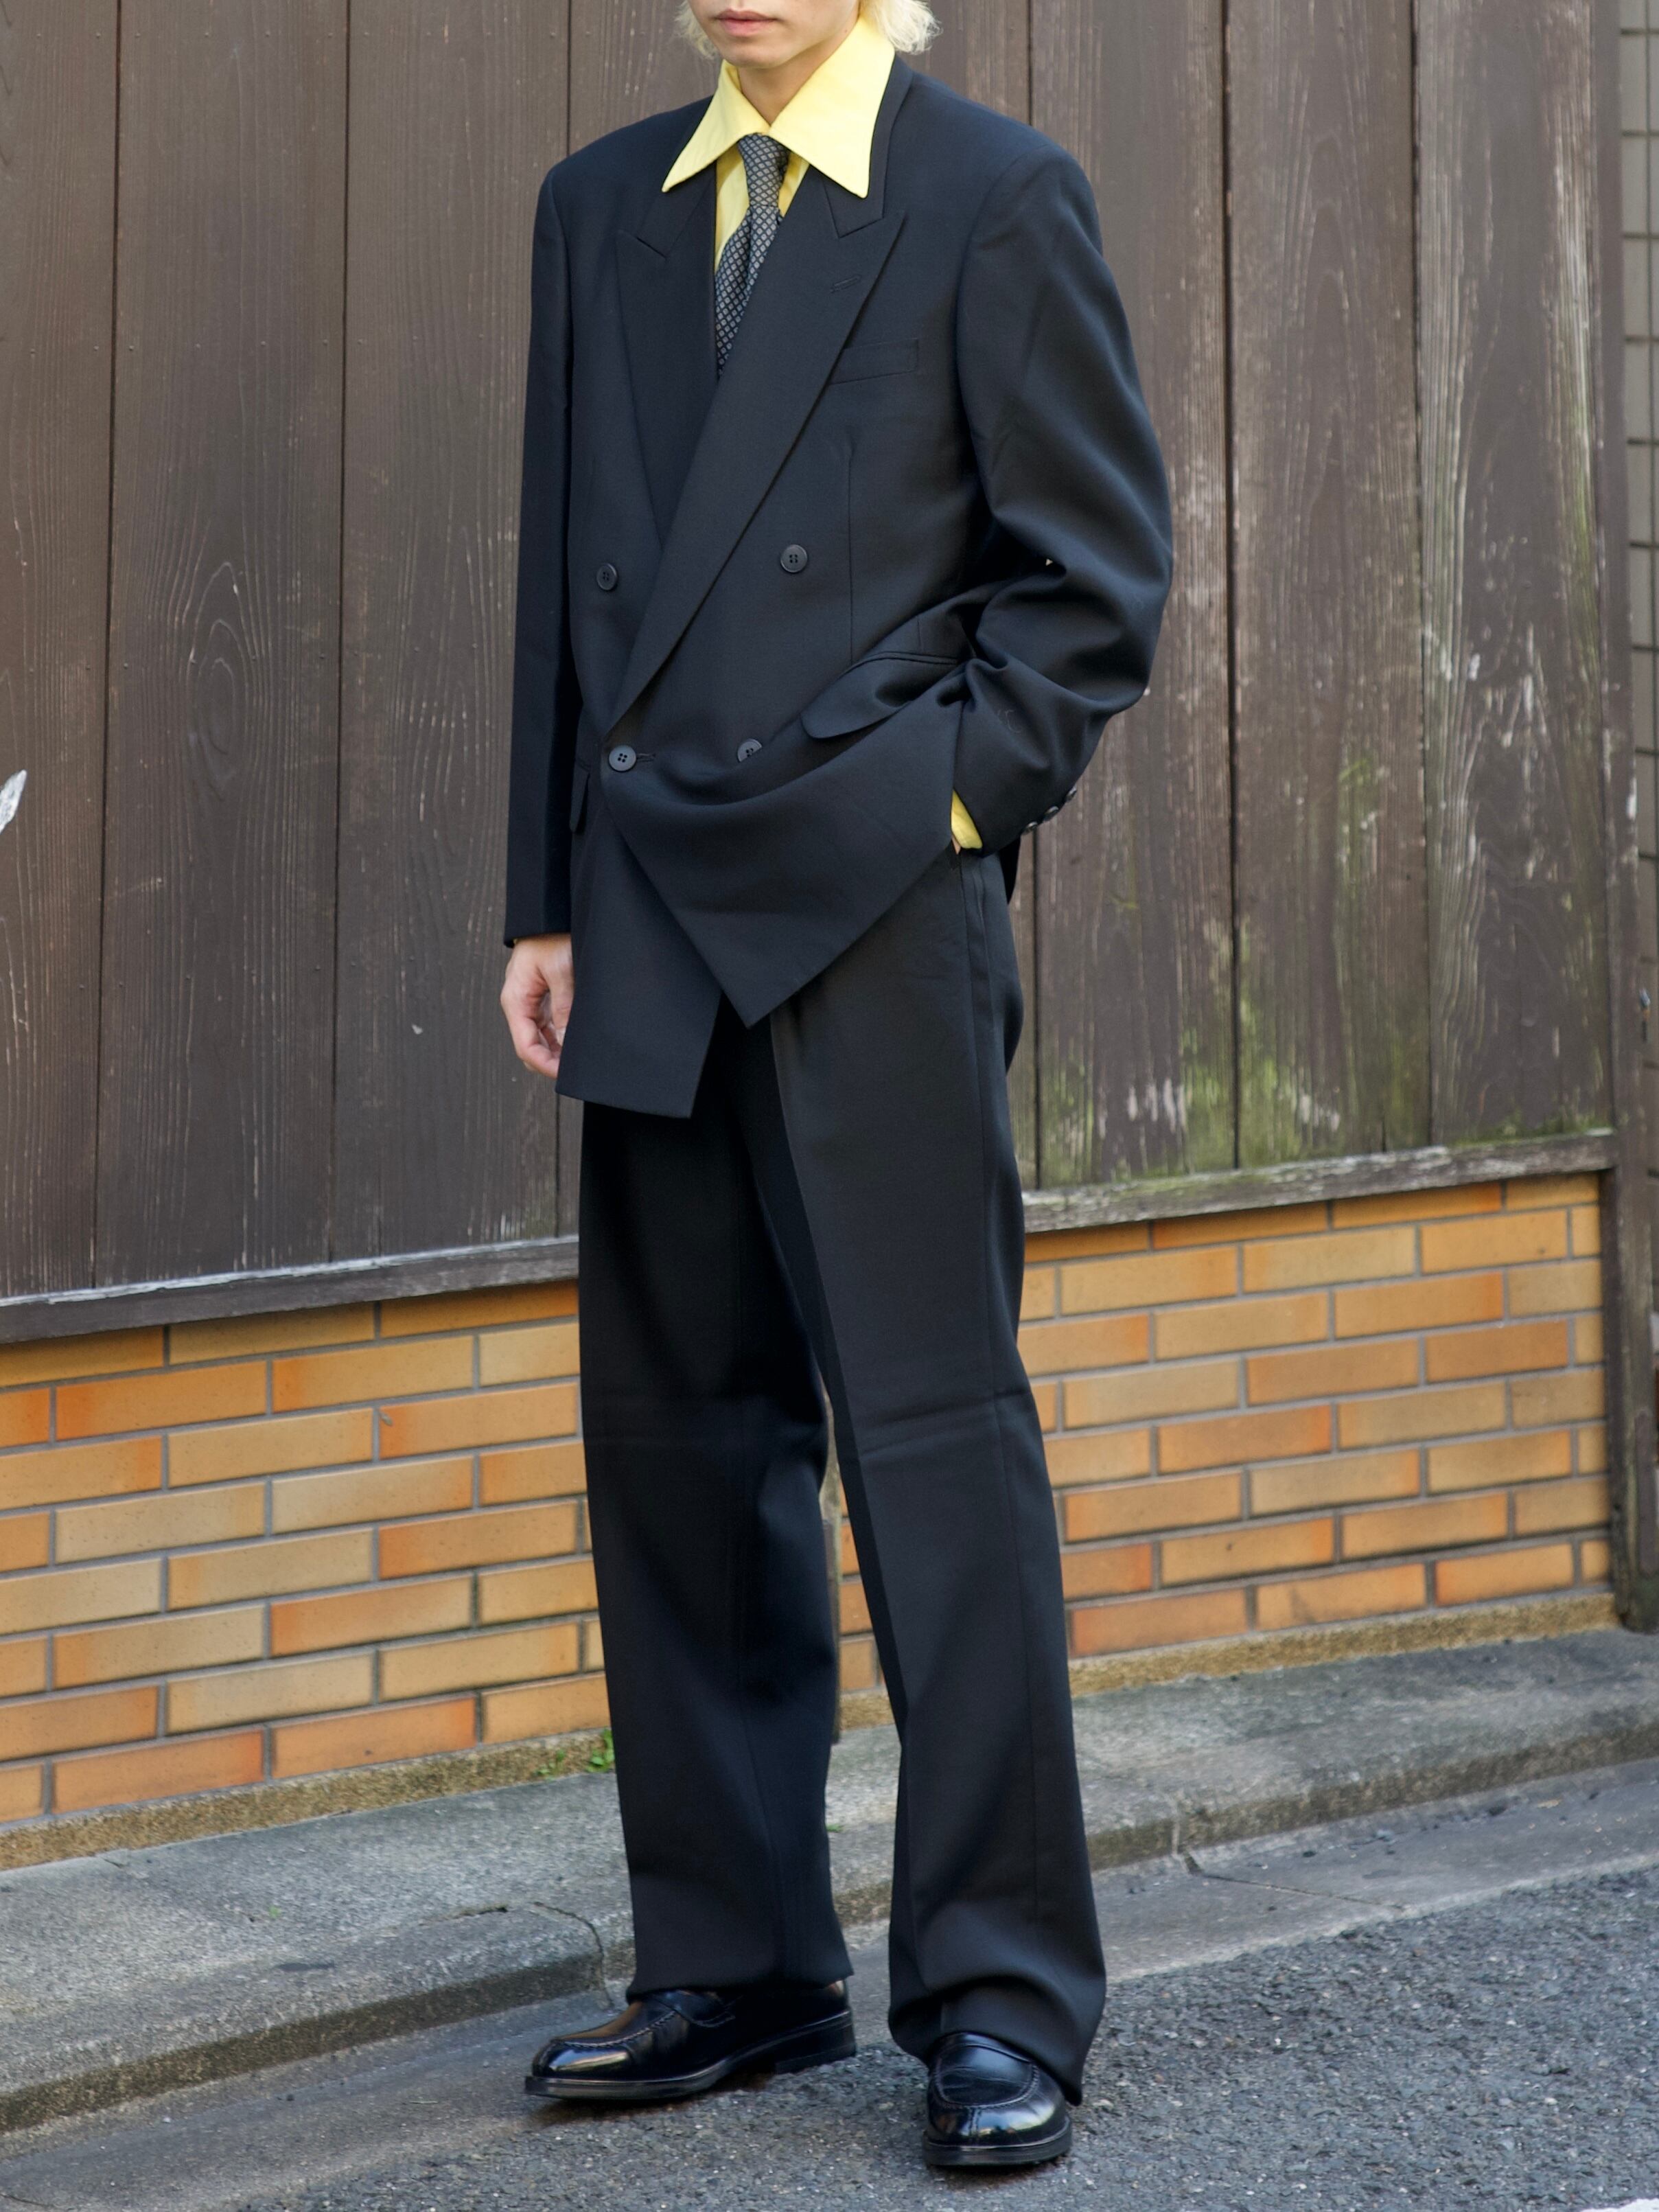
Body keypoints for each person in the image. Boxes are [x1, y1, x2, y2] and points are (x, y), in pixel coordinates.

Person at [498, 0, 1171, 2171]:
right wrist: (542, 897)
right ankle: (734, 1965)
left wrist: (937, 812)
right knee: (679, 1445)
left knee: (931, 1444)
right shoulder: (602, 205)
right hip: (648, 903)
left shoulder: (993, 195)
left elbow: (1087, 589)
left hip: (872, 910)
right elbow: (566, 589)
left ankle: (999, 1996)